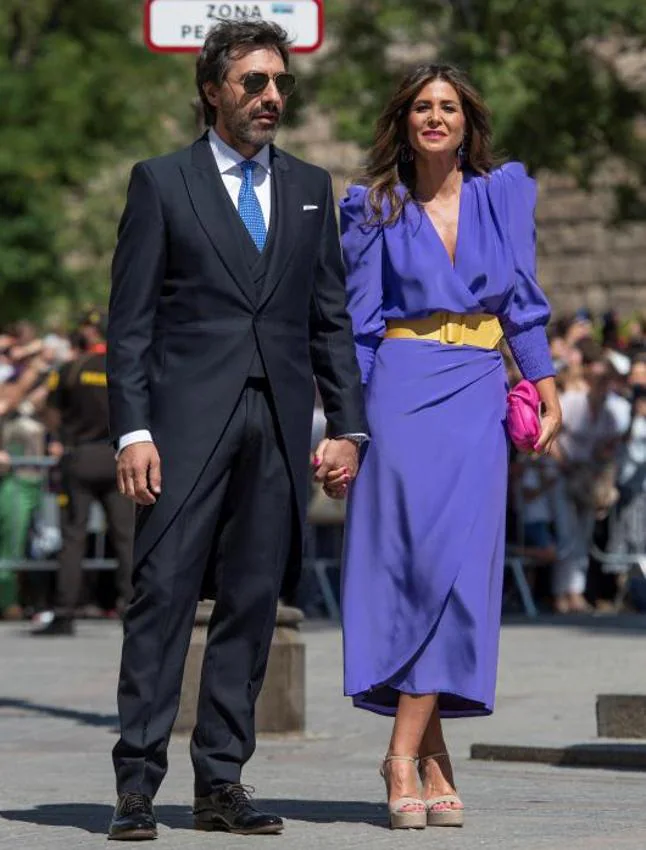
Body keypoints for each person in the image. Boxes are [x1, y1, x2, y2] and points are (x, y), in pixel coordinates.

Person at [106, 20, 366, 841]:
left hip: (280, 429)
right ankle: (136, 786)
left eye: (279, 83)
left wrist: (348, 429)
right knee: (163, 601)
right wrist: (132, 432)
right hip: (182, 427)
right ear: (213, 89)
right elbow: (131, 325)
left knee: (253, 606)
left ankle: (221, 781)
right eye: (254, 82)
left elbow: (330, 321)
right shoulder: (161, 182)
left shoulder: (310, 186)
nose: (272, 97)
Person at [336, 64, 561, 830]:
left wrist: (548, 385)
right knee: (414, 571)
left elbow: (524, 304)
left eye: (450, 107)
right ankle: (419, 758)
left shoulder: (505, 194)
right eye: (423, 107)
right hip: (400, 391)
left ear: (468, 122)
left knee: (460, 572)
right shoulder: (371, 207)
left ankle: (410, 753)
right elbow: (360, 325)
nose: (436, 117)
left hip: (476, 388)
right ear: (403, 121)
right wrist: (348, 427)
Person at [31, 308, 134, 636]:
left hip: (79, 458)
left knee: (73, 538)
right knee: (126, 538)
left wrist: (62, 439)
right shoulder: (124, 366)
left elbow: (49, 411)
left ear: (90, 333)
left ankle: (64, 613)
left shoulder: (70, 369)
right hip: (118, 458)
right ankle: (132, 608)